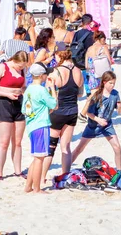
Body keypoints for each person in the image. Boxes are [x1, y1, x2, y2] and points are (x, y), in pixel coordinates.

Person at [41, 50, 83, 183]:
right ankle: (65, 177)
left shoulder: (55, 72)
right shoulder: (79, 72)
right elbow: (80, 94)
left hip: (57, 112)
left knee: (51, 147)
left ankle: (41, 177)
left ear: (59, 56)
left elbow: (48, 95)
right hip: (72, 112)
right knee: (66, 147)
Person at [0, 51, 29, 180]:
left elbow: (23, 85)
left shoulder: (22, 69)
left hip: (19, 103)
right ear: (15, 61)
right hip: (5, 103)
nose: (21, 68)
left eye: (23, 66)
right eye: (20, 66)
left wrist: (23, 92)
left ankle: (18, 171)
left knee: (18, 141)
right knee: (4, 142)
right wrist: (7, 94)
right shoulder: (3, 67)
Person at [72, 71, 121, 170]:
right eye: (110, 83)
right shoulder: (97, 95)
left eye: (114, 83)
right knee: (79, 148)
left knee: (117, 147)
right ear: (104, 82)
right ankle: (66, 168)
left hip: (107, 125)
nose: (112, 85)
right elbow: (88, 112)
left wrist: (120, 108)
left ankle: (119, 171)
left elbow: (120, 111)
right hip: (93, 126)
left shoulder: (115, 94)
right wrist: (98, 120)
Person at [22, 63, 57, 193]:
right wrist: (52, 88)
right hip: (41, 125)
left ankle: (28, 186)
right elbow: (54, 103)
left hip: (31, 126)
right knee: (40, 158)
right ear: (42, 75)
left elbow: (24, 109)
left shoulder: (28, 90)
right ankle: (37, 188)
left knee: (37, 157)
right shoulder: (41, 90)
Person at [72, 14, 95, 96]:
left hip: (77, 57)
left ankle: (79, 91)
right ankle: (88, 92)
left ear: (82, 22)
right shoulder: (91, 34)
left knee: (78, 74)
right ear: (91, 22)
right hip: (86, 58)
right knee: (87, 76)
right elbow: (91, 48)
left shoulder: (77, 33)